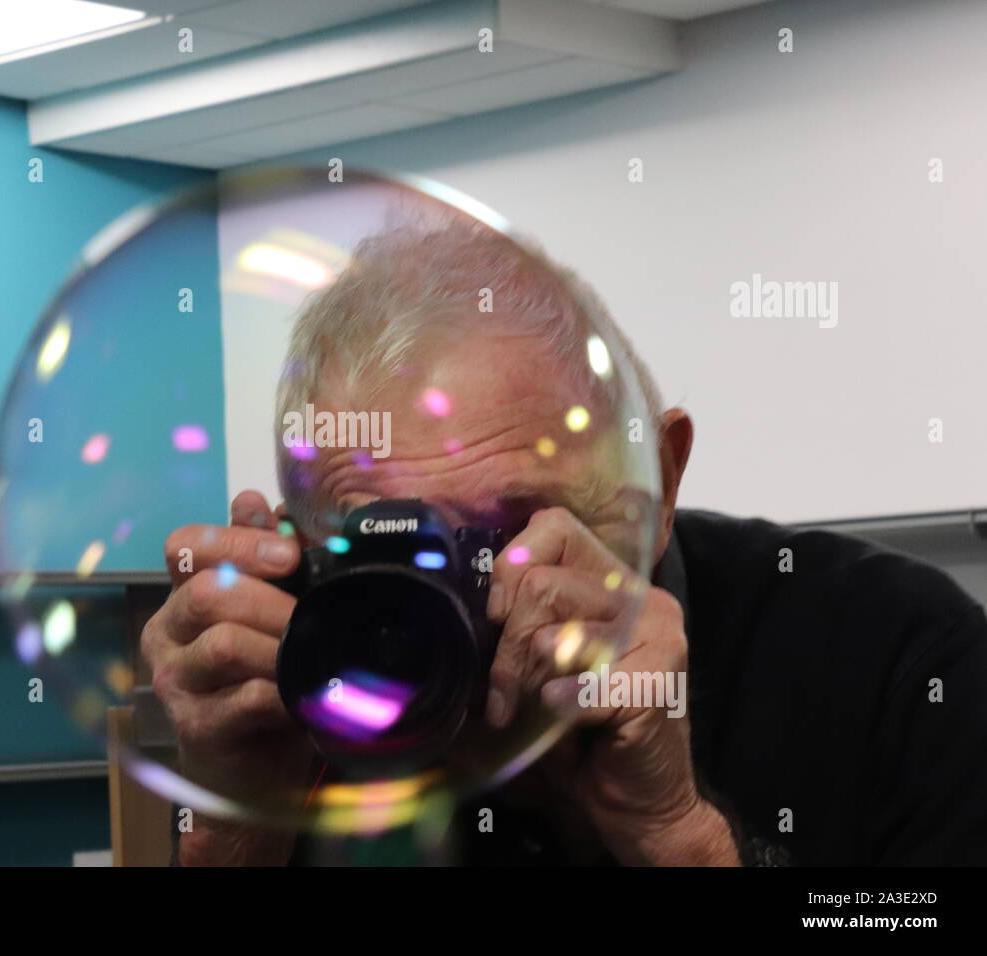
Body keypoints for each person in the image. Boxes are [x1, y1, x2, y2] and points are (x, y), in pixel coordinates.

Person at [140, 218, 987, 866]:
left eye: (509, 532)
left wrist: (681, 838)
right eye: (386, 543)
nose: (454, 599)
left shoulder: (898, 658)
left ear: (659, 481)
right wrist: (233, 828)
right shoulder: (326, 679)